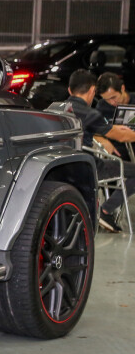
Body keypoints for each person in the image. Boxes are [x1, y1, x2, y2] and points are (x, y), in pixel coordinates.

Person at [66, 69, 135, 232]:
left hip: (64, 166)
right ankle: (105, 211)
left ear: (69, 90)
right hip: (88, 166)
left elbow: (101, 128)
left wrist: (112, 129)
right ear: (92, 91)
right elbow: (122, 137)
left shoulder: (56, 108)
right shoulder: (91, 113)